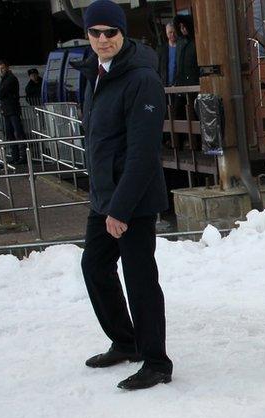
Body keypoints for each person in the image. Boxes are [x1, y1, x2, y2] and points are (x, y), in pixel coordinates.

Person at [77, 0, 172, 390]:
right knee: (95, 266)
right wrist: (102, 197)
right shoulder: (96, 73)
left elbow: (143, 152)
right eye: (95, 33)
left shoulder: (141, 78)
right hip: (106, 196)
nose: (103, 39)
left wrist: (120, 208)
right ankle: (126, 340)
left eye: (110, 32)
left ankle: (156, 362)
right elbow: (99, 139)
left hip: (133, 198)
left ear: (122, 33)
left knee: (139, 277)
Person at [0, 59, 25, 164]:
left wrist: (0, 93)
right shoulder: (4, 79)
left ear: (7, 67)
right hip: (7, 109)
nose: (1, 70)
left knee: (18, 133)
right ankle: (15, 156)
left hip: (12, 109)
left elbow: (0, 93)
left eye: (2, 68)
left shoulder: (10, 79)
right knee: (9, 134)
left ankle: (23, 156)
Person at [158, 22, 178, 87]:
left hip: (179, 86)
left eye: (174, 32)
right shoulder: (161, 49)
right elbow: (158, 67)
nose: (173, 34)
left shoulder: (181, 47)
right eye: (170, 32)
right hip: (165, 86)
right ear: (166, 34)